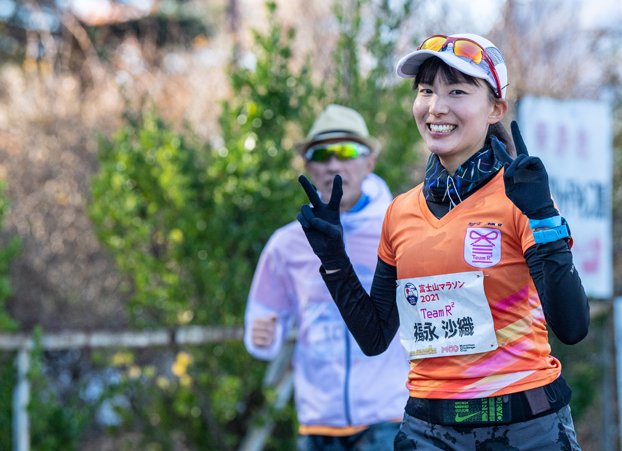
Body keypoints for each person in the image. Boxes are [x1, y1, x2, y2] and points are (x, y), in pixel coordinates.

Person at [296, 34, 590, 450]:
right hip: (427, 429)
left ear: (495, 109)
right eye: (426, 91)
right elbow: (375, 336)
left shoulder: (522, 196)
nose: (436, 107)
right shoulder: (401, 211)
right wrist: (333, 260)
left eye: (457, 91)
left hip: (528, 426)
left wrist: (544, 218)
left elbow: (573, 327)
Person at [244, 104, 410, 451]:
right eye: (321, 154)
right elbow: (262, 323)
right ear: (306, 166)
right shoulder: (286, 243)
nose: (333, 164)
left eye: (347, 151)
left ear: (369, 162)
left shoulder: (399, 230)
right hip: (317, 424)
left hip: (390, 418)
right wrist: (260, 336)